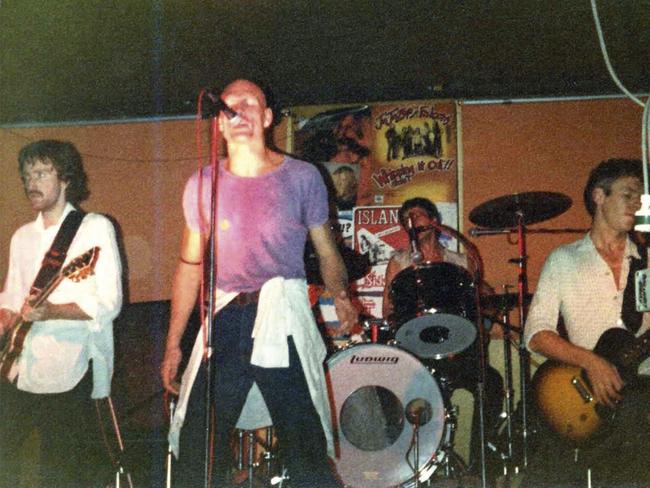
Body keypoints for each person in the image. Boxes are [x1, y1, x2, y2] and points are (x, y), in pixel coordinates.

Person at [160, 79, 358, 487]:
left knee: (304, 445)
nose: (238, 111)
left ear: (267, 117)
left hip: (280, 317)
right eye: (228, 106)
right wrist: (173, 343)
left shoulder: (302, 177)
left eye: (249, 103)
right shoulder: (201, 184)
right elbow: (188, 266)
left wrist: (341, 295)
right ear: (218, 124)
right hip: (226, 320)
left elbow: (326, 252)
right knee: (198, 443)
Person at [0, 140, 123, 487]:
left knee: (58, 474)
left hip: (67, 371)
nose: (31, 183)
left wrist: (52, 310)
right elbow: (11, 298)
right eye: (26, 175)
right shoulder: (21, 237)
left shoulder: (94, 228)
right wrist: (5, 318)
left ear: (66, 178)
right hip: (17, 368)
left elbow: (109, 302)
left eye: (41, 173)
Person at [523, 158, 650, 487]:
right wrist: (591, 362)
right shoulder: (564, 259)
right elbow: (536, 334)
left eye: (642, 198)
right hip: (580, 395)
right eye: (629, 195)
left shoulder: (645, 261)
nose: (638, 204)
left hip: (640, 390)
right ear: (599, 196)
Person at [382, 197, 505, 476]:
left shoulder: (459, 262)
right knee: (390, 391)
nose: (412, 221)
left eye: (418, 215)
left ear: (435, 221)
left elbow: (480, 303)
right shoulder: (399, 262)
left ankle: (479, 466)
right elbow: (388, 310)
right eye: (406, 219)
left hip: (456, 351)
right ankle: (402, 471)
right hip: (416, 354)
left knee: (492, 382)